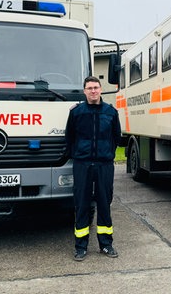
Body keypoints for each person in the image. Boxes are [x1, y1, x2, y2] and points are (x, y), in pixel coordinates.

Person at [65, 76, 122, 261]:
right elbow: (69, 137)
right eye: (89, 88)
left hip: (104, 165)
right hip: (82, 165)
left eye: (96, 87)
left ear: (101, 89)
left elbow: (117, 137)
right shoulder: (77, 112)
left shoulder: (111, 112)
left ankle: (106, 244)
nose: (93, 91)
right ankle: (80, 247)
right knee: (81, 204)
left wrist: (106, 154)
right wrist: (79, 154)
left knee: (104, 203)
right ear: (84, 91)